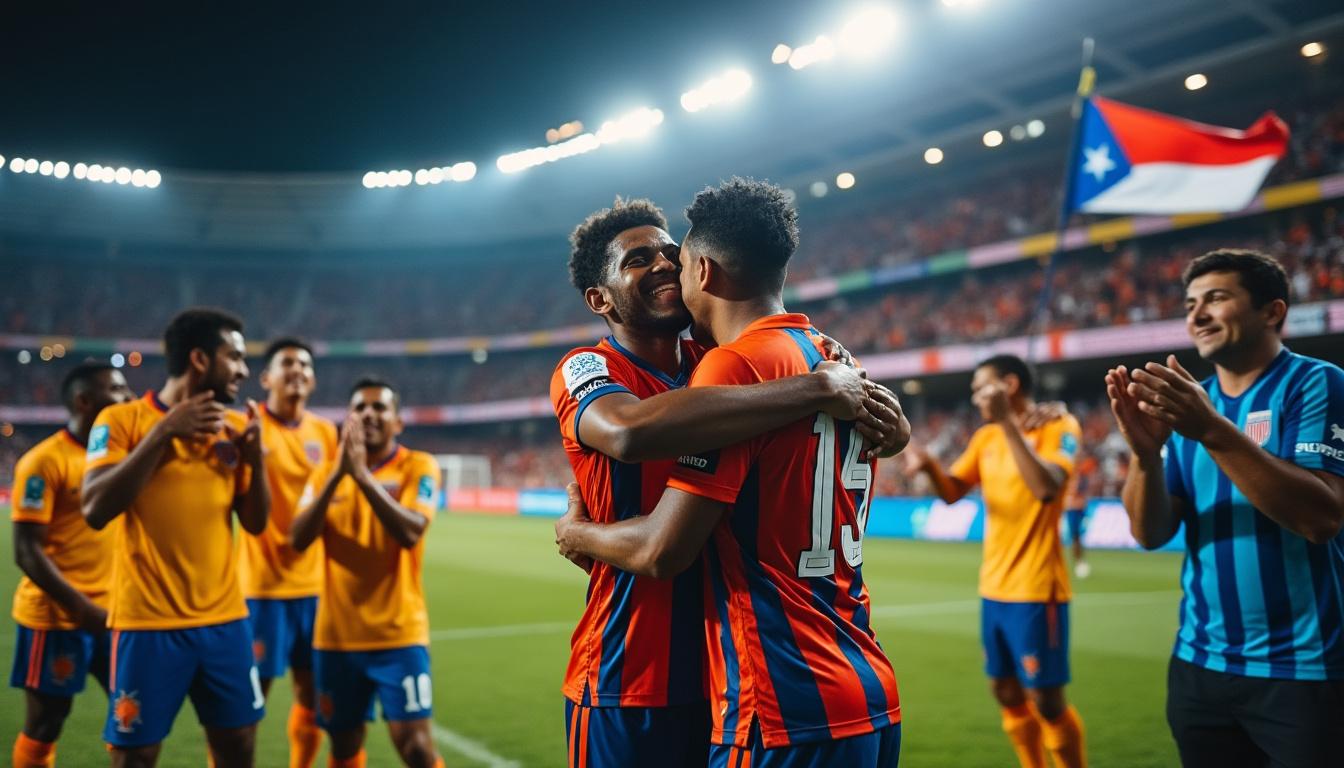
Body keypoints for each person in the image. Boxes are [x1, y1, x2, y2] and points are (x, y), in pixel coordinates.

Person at [557, 178, 909, 767]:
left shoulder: (722, 364)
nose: (666, 265)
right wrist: (821, 384)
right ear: (602, 299)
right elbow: (626, 431)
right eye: (639, 259)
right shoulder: (588, 366)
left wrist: (890, 424)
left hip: (732, 678)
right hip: (628, 671)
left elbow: (881, 433)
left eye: (672, 252)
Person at [1106, 249, 1344, 768]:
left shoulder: (1316, 383)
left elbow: (1321, 518)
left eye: (1217, 298)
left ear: (1272, 311)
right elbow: (1150, 532)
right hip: (1199, 665)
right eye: (1191, 303)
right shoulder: (1192, 403)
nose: (1197, 314)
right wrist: (1145, 456)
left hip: (1303, 670)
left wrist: (1211, 429)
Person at [82, 307, 270, 768]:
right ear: (200, 360)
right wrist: (164, 432)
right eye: (236, 357)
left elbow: (256, 524)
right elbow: (96, 508)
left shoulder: (232, 426)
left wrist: (256, 460)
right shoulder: (121, 420)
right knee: (136, 757)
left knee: (239, 747)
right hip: (148, 625)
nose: (245, 370)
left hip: (225, 622)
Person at [903, 354, 1087, 768]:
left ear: (1009, 385)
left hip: (1038, 587)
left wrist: (1007, 423)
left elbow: (1045, 488)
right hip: (994, 587)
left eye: (981, 385)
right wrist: (930, 466)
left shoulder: (1060, 426)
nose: (974, 395)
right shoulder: (986, 438)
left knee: (1047, 700)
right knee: (1005, 690)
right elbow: (952, 492)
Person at [290, 378, 444, 768]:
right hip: (336, 638)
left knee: (417, 749)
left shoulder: (419, 466)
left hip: (399, 635)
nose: (369, 415)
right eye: (360, 408)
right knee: (343, 746)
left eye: (380, 408)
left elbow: (411, 531)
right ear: (348, 420)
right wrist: (339, 475)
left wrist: (361, 476)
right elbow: (298, 537)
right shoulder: (323, 473)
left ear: (397, 423)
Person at [10, 363, 132, 768]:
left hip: (115, 616)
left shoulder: (122, 459)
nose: (129, 396)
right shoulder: (43, 462)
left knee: (133, 715)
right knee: (47, 722)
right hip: (57, 618)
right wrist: (82, 607)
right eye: (116, 388)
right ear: (85, 401)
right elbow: (27, 550)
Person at [238, 338, 337, 768]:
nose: (297, 370)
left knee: (312, 693)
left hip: (314, 588)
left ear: (313, 379)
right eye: (287, 363)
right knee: (248, 699)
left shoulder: (325, 432)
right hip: (260, 589)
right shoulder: (246, 424)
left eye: (305, 364)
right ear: (266, 378)